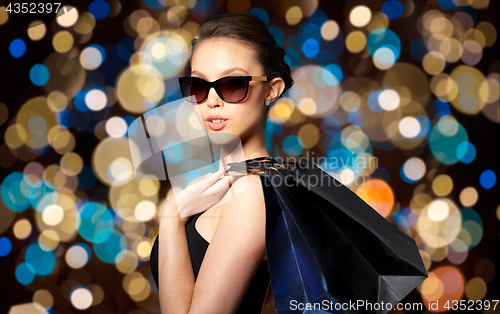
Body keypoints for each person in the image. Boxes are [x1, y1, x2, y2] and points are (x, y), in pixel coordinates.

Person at [150, 11, 294, 314]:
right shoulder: (221, 186)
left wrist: (171, 216)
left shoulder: (254, 194)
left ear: (271, 90)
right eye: (200, 86)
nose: (212, 100)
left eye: (232, 84)